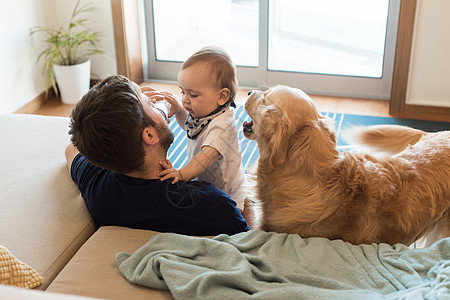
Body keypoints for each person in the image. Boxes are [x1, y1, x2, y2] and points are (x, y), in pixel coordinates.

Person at [65, 75, 250, 236]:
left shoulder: (97, 185)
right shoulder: (212, 205)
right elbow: (246, 238)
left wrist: (135, 105)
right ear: (150, 136)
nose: (155, 102)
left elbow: (71, 148)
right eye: (150, 104)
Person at [157, 46, 247, 212]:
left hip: (227, 190)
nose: (185, 100)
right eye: (182, 91)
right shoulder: (205, 111)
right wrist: (178, 110)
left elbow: (205, 157)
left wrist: (181, 174)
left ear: (222, 96)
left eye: (193, 94)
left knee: (226, 215)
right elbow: (189, 128)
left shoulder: (222, 125)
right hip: (204, 179)